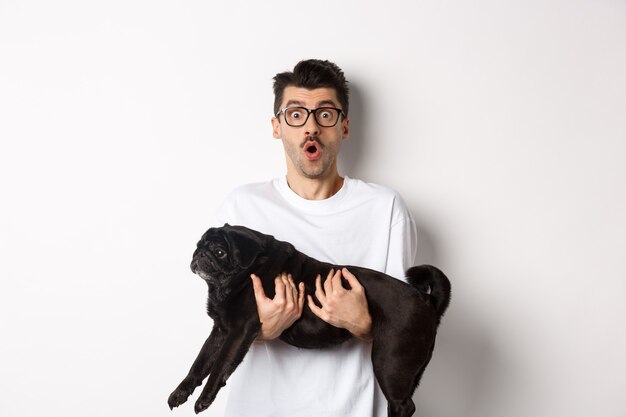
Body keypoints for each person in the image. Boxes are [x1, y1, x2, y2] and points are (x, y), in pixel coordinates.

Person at [211, 59, 417, 417]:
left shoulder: (384, 209)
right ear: (277, 127)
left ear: (344, 126)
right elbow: (219, 323)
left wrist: (365, 324)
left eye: (325, 114)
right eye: (295, 114)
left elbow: (407, 327)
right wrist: (261, 328)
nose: (311, 127)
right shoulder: (242, 208)